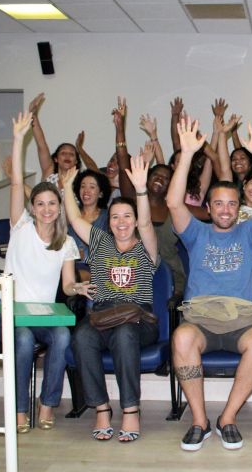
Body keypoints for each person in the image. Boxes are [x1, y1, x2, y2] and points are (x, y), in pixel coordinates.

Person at [167, 116, 252, 452]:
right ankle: (199, 421)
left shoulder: (249, 233)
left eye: (232, 203)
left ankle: (227, 418)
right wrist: (186, 154)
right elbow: (174, 203)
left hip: (242, 323)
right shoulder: (195, 233)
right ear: (208, 207)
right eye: (219, 203)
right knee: (182, 335)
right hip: (201, 321)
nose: (226, 209)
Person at [0, 111, 79, 433]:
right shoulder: (20, 228)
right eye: (39, 203)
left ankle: (47, 405)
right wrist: (18, 137)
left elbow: (67, 286)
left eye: (51, 203)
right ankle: (18, 412)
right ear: (32, 208)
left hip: (43, 315)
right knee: (24, 341)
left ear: (58, 207)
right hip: (8, 312)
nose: (46, 209)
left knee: (63, 335)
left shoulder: (66, 242)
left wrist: (77, 289)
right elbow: (16, 182)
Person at [64, 154, 159, 443]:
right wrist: (67, 186)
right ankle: (101, 408)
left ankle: (130, 410)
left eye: (127, 216)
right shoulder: (101, 242)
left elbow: (145, 224)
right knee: (82, 337)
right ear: (109, 222)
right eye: (115, 217)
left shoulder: (145, 246)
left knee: (125, 334)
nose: (121, 222)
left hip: (138, 317)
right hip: (104, 313)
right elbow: (74, 218)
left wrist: (140, 190)